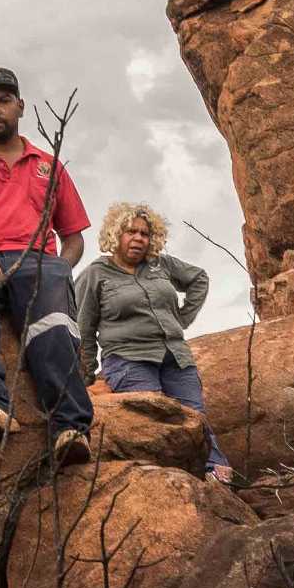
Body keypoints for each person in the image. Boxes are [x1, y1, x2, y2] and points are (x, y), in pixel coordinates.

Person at [0, 66, 96, 465]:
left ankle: (70, 427)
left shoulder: (49, 164)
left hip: (36, 261)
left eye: (3, 100)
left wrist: (59, 268)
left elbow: (74, 236)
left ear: (20, 106)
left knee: (55, 323)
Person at [75, 201, 231, 483]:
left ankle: (217, 476)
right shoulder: (95, 274)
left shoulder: (161, 265)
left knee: (196, 419)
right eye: (130, 232)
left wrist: (182, 319)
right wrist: (85, 374)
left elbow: (198, 278)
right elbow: (84, 328)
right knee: (152, 425)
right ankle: (164, 485)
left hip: (175, 357)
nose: (138, 239)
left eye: (144, 234)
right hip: (128, 359)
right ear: (115, 235)